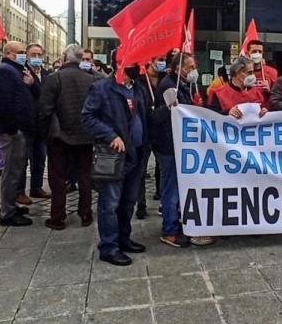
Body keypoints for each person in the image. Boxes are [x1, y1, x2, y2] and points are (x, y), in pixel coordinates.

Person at [81, 62, 149, 266]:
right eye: (133, 63)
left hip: (136, 152)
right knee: (110, 202)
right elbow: (88, 117)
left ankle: (123, 238)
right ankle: (109, 247)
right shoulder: (102, 88)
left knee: (129, 201)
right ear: (120, 64)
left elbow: (144, 117)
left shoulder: (138, 89)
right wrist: (110, 135)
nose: (138, 67)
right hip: (114, 154)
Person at [152, 52, 211, 246]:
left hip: (179, 143)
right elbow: (160, 116)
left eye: (194, 66)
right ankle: (169, 230)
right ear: (179, 69)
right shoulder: (169, 86)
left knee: (178, 186)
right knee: (172, 188)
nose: (194, 71)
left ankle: (177, 222)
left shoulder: (184, 85)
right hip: (169, 144)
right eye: (191, 67)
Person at [39, 44, 99, 229]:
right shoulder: (91, 80)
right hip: (85, 135)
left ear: (64, 57)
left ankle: (57, 217)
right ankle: (86, 213)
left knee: (57, 177)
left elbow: (45, 110)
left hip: (59, 136)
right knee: (85, 174)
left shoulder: (54, 78)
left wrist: (43, 134)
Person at [0, 41, 35, 226]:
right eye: (21, 52)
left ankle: (10, 204)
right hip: (11, 131)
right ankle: (7, 211)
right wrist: (12, 129)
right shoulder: (4, 71)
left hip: (18, 129)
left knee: (16, 170)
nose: (24, 55)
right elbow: (5, 103)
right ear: (8, 53)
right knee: (10, 171)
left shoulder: (17, 70)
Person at [135, 55, 166, 219]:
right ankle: (140, 203)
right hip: (145, 129)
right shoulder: (140, 81)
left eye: (163, 59)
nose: (161, 63)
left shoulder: (165, 79)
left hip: (161, 130)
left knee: (162, 167)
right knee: (141, 168)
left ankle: (161, 196)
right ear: (150, 60)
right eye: (158, 59)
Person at [21, 43, 52, 201]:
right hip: (26, 124)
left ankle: (36, 187)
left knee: (40, 158)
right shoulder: (21, 72)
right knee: (23, 159)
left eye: (39, 55)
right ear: (27, 56)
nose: (37, 58)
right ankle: (20, 192)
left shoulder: (48, 74)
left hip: (42, 125)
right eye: (33, 54)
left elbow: (47, 96)